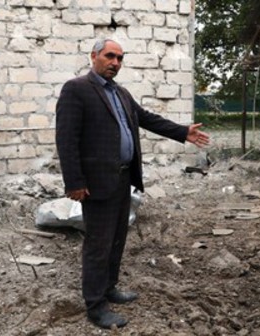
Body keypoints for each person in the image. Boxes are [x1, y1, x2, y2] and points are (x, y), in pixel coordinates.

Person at [55, 38, 209, 329]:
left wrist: (181, 132)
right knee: (98, 245)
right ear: (94, 56)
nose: (115, 62)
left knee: (116, 239)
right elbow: (66, 139)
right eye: (110, 56)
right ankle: (96, 306)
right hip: (95, 183)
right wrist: (74, 182)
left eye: (120, 58)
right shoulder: (76, 89)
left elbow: (145, 119)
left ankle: (109, 287)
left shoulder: (121, 93)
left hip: (123, 177)